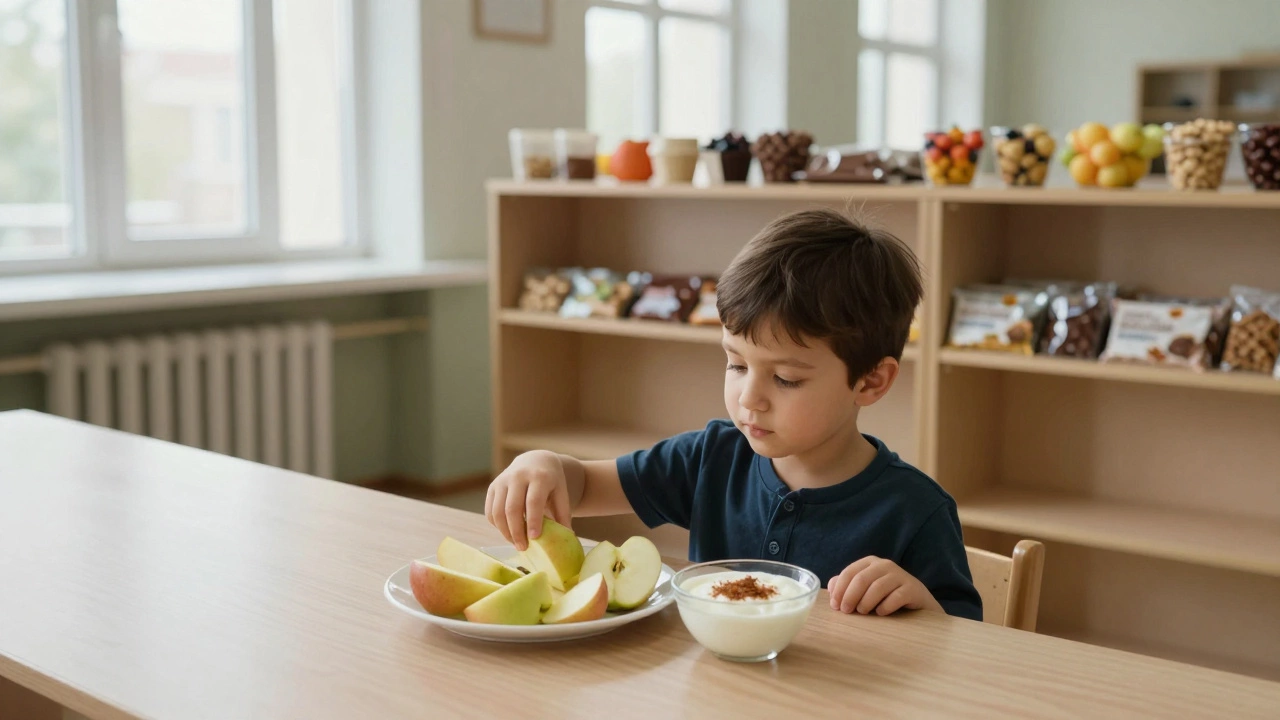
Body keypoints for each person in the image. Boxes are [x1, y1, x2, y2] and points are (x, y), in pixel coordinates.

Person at [485, 207, 982, 620]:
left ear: (870, 381)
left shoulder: (916, 511)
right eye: (737, 364)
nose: (750, 398)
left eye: (785, 378)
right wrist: (544, 466)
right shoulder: (711, 458)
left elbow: (967, 645)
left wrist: (923, 605)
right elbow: (584, 486)